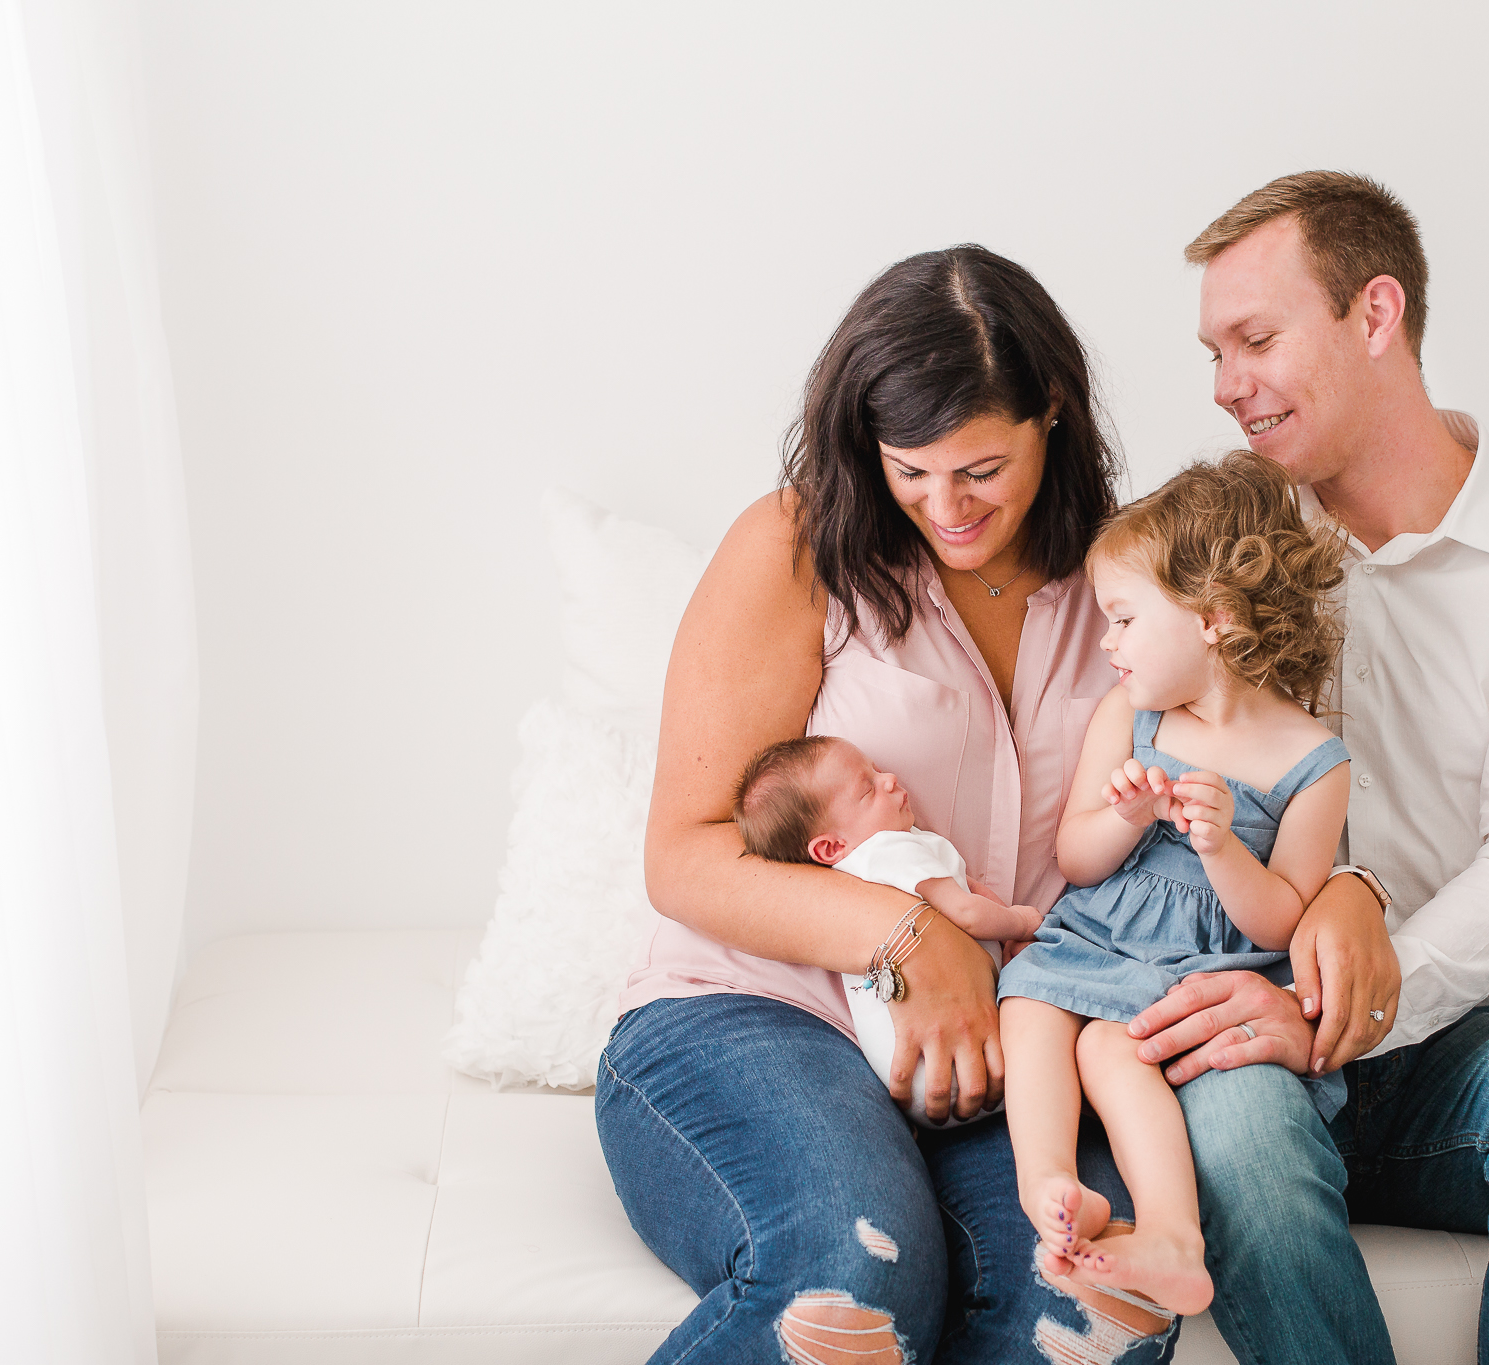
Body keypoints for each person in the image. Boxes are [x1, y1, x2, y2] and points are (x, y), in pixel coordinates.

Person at [598, 244, 1404, 1365]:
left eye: (978, 468)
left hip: (1016, 1055)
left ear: (1052, 419)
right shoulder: (794, 547)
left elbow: (1266, 773)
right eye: (909, 470)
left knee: (1086, 1307)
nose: (943, 505)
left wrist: (1344, 892)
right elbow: (684, 858)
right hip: (760, 1016)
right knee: (854, 1276)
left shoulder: (1137, 581)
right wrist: (908, 935)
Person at [1125, 171, 1489, 1363]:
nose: (1225, 388)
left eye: (1255, 340)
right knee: (1233, 1136)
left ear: (1375, 316)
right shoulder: (1217, 551)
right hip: (1243, 1036)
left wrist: (1353, 983)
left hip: (1453, 1043)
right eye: (1212, 353)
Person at [996, 452, 1354, 1318]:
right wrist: (1126, 815)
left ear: (1213, 620)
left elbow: (1285, 914)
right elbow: (1075, 857)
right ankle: (1049, 1185)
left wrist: (1222, 844)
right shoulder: (1132, 716)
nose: (1107, 643)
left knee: (1110, 1047)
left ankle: (1170, 1235)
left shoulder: (1313, 761)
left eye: (1121, 619)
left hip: (1207, 975)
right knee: (1030, 1005)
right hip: (1099, 940)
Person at [730, 732, 1040, 1125]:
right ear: (829, 847)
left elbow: (967, 888)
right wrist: (1023, 922)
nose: (890, 779)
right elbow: (968, 911)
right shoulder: (889, 851)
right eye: (867, 789)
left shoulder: (851, 878)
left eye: (876, 770)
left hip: (916, 1085)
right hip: (968, 1059)